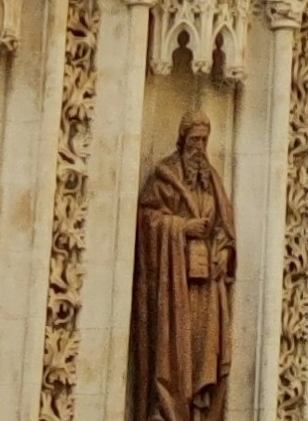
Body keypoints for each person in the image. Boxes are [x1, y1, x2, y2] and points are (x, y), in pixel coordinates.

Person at [129, 108, 236, 421]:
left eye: (204, 140)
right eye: (194, 140)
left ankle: (198, 411)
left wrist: (224, 251)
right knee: (175, 348)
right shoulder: (165, 178)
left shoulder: (212, 182)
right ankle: (167, 411)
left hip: (207, 288)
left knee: (205, 353)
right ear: (182, 139)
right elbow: (147, 219)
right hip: (174, 284)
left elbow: (224, 228)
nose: (199, 147)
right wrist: (181, 228)